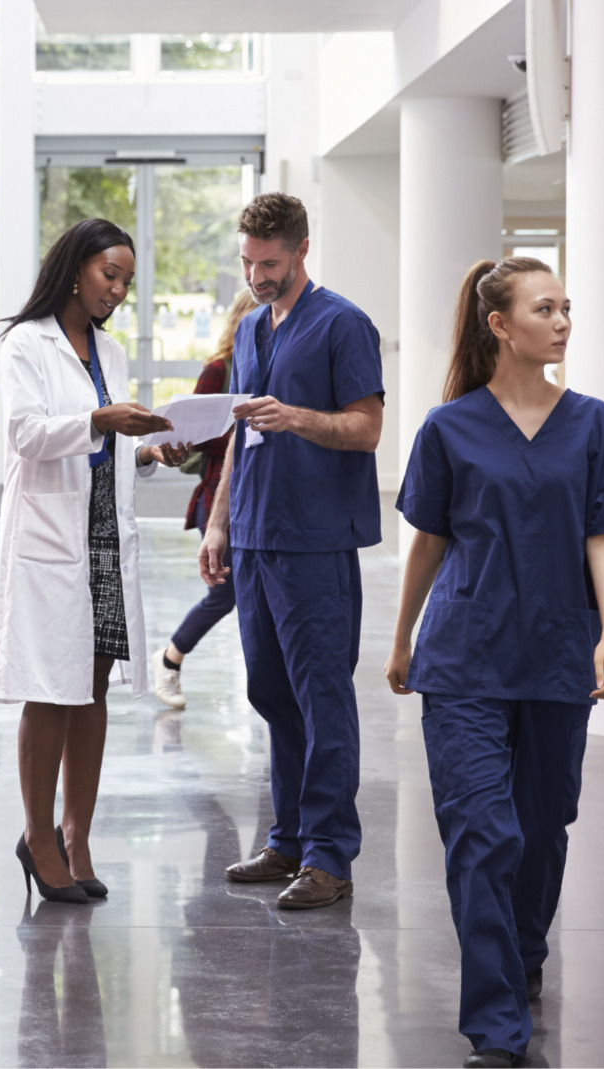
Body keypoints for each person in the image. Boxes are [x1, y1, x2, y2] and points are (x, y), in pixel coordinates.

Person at [385, 258, 604, 1069]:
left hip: (558, 652)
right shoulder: (448, 427)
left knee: (542, 827)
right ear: (499, 324)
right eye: (545, 308)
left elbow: (600, 534)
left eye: (566, 307)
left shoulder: (595, 424)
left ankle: (522, 950)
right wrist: (401, 638)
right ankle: (496, 1026)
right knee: (479, 831)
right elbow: (428, 538)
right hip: (464, 655)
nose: (563, 321)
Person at [0, 218, 182, 905]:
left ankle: (77, 833)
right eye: (110, 275)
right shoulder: (24, 344)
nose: (118, 290)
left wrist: (152, 448)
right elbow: (24, 434)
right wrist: (101, 423)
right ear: (74, 270)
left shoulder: (112, 350)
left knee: (92, 687)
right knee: (50, 686)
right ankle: (38, 836)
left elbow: (111, 442)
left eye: (126, 279)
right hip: (50, 535)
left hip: (102, 533)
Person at [198, 192, 384, 910]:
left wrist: (299, 418)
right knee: (270, 692)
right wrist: (219, 523)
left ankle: (329, 854)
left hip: (313, 539)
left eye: (269, 263)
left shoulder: (343, 324)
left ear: (301, 249)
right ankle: (288, 837)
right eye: (247, 262)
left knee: (322, 696)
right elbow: (242, 436)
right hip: (252, 534)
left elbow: (366, 428)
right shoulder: (249, 329)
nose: (256, 276)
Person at [154, 287, 259, 710]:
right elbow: (189, 429)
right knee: (225, 592)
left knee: (245, 593)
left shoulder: (269, 364)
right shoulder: (220, 368)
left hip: (256, 500)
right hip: (218, 494)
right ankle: (170, 658)